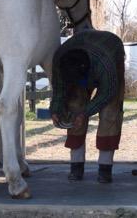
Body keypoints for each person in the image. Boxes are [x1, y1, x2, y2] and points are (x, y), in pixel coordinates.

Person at [50, 30, 125, 183]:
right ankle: (76, 166)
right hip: (82, 57)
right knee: (74, 105)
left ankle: (105, 167)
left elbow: (107, 92)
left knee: (110, 112)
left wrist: (85, 113)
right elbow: (59, 89)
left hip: (111, 51)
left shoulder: (106, 65)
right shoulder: (59, 61)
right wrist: (56, 109)